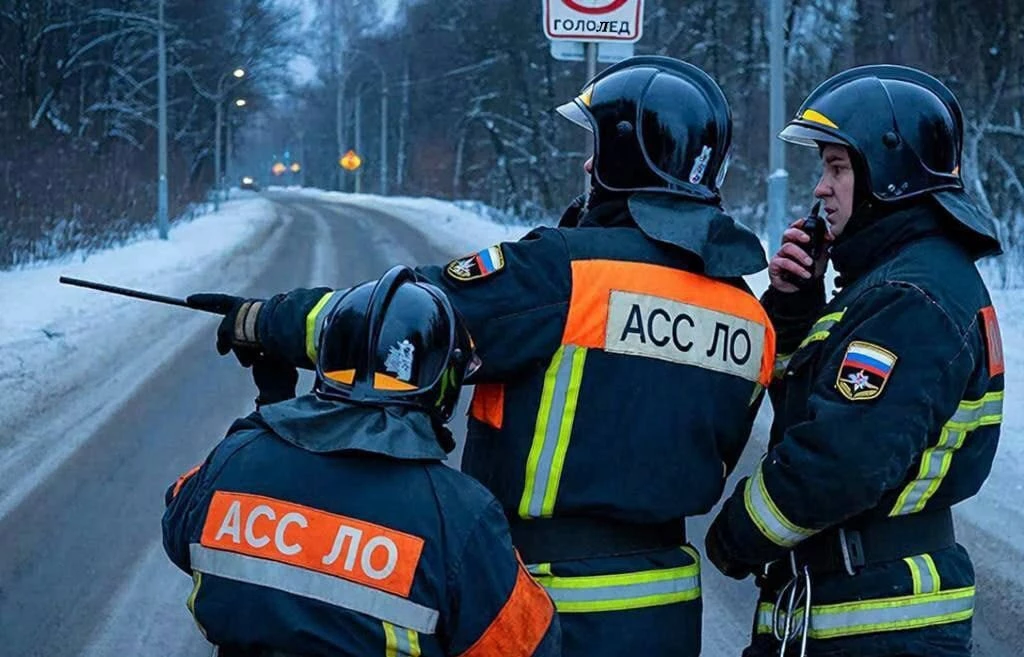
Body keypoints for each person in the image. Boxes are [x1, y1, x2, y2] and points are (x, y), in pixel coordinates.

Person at [199, 56, 776, 657]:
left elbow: (399, 317)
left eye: (596, 147)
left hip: (539, 600)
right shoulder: (750, 319)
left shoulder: (564, 273)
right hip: (667, 609)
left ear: (627, 159)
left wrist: (266, 320)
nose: (586, 163)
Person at [704, 65, 1005, 657]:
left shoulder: (909, 299)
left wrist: (735, 535)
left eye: (837, 168)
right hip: (856, 608)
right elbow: (812, 403)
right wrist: (795, 310)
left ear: (887, 176)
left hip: (873, 623)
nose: (820, 188)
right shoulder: (894, 282)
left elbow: (836, 465)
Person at [163, 266, 561, 657]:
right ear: (444, 381)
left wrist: (269, 417)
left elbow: (181, 522)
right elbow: (528, 644)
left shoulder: (234, 460)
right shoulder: (460, 515)